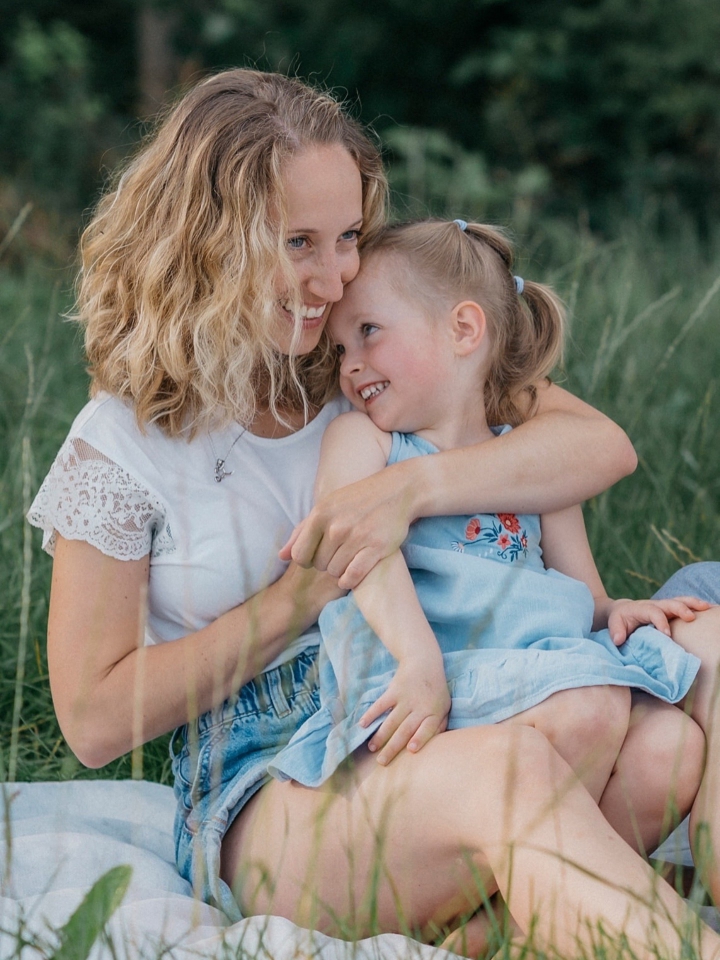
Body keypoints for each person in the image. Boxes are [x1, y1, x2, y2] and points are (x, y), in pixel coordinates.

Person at [26, 68, 720, 958]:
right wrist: (296, 600)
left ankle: (492, 932)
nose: (336, 275)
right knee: (509, 775)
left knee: (664, 745)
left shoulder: (358, 365)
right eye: (300, 243)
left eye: (349, 236)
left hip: (441, 712)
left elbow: (598, 447)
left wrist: (406, 492)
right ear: (209, 240)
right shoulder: (124, 441)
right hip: (271, 784)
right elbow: (89, 722)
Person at [269, 219, 719, 904]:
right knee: (592, 706)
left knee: (673, 751)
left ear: (464, 329)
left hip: (543, 675)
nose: (350, 364)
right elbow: (362, 557)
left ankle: (527, 909)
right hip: (432, 684)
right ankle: (531, 896)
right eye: (339, 347)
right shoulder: (365, 443)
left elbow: (581, 594)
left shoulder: (527, 458)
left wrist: (616, 610)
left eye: (369, 332)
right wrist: (417, 659)